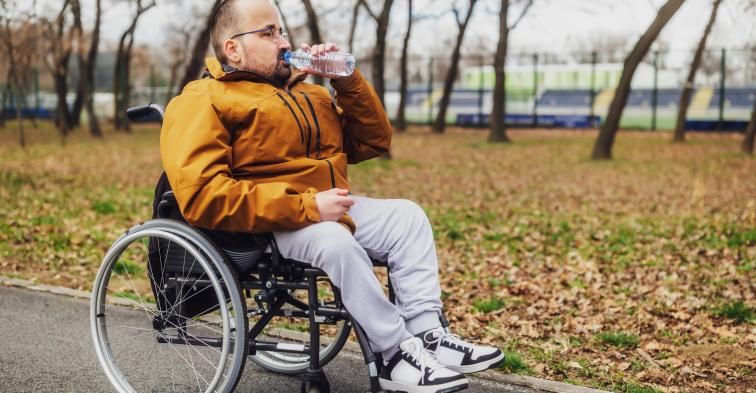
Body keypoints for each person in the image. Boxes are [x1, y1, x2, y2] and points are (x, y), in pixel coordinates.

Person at [160, 0, 504, 391]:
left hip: (324, 208)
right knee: (334, 239)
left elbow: (374, 141)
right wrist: (307, 207)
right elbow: (204, 195)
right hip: (266, 222)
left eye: (282, 30)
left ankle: (427, 333)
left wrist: (347, 78)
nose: (282, 41)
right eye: (268, 33)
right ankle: (393, 353)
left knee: (408, 217)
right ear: (233, 48)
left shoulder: (312, 95)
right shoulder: (201, 100)